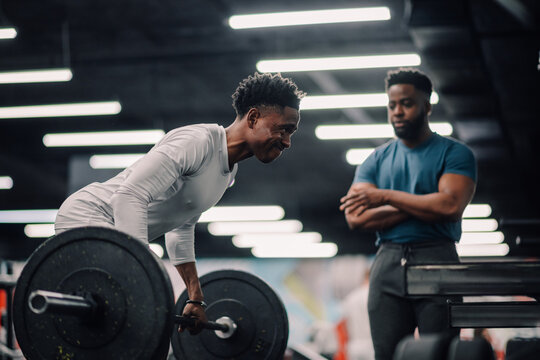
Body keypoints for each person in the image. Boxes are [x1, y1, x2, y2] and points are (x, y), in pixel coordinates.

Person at [54, 72, 305, 335]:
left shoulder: (228, 173)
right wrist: (143, 269)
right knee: (122, 318)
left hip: (116, 234)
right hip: (87, 216)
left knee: (126, 317)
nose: (287, 141)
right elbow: (129, 196)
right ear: (254, 117)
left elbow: (181, 229)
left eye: (291, 132)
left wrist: (195, 298)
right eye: (283, 129)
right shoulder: (196, 142)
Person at [339, 68, 476, 360]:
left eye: (407, 103)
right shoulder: (375, 160)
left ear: (427, 105)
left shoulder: (455, 153)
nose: (398, 112)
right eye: (392, 105)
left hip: (438, 258)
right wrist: (425, 205)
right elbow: (356, 218)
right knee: (387, 355)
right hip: (387, 261)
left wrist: (385, 196)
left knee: (440, 353)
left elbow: (450, 208)